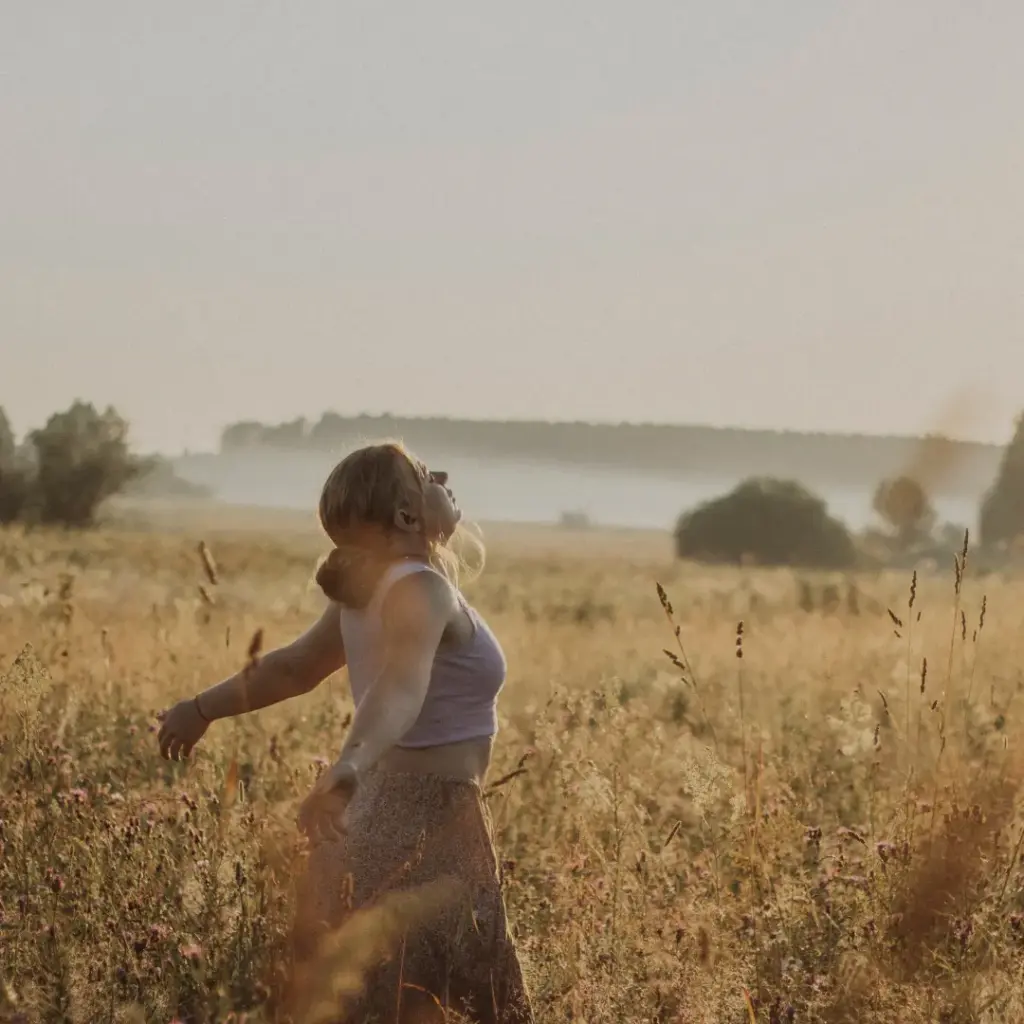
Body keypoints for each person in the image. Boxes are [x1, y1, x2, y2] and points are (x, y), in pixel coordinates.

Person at [156, 441, 534, 1023]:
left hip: (381, 814)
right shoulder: (420, 589)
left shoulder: (375, 590)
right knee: (459, 998)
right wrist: (349, 766)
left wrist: (200, 708)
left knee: (382, 997)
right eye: (426, 474)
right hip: (426, 818)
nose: (445, 476)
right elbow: (399, 689)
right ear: (408, 516)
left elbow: (292, 669)